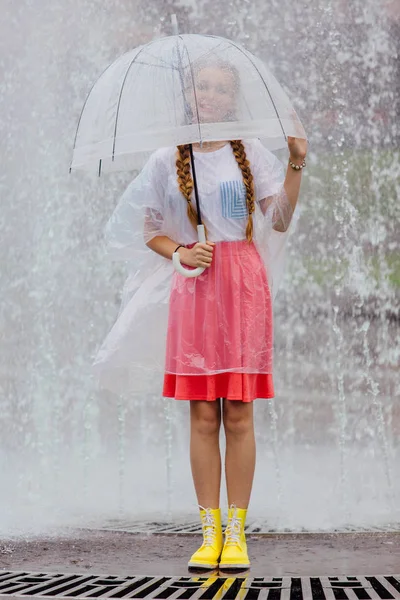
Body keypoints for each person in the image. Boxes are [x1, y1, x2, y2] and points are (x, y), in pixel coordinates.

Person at [93, 59, 307, 572]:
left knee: (238, 409)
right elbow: (148, 229)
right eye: (202, 86)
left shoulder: (252, 153)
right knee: (203, 412)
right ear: (190, 95)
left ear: (232, 99)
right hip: (196, 286)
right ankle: (207, 530)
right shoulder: (167, 159)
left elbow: (277, 219)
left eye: (220, 88)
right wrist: (180, 253)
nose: (210, 95)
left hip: (244, 285)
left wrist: (297, 163)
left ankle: (237, 532)